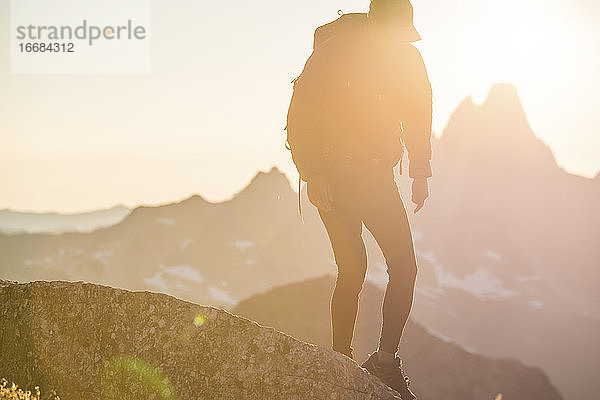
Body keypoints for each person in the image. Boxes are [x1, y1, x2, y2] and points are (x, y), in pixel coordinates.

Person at [286, 1, 431, 398]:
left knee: (405, 268)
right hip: (333, 176)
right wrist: (312, 173)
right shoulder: (335, 53)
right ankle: (340, 361)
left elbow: (419, 113)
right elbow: (300, 113)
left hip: (375, 175)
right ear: (376, 26)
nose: (400, 41)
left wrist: (420, 171)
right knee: (353, 269)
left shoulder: (407, 58)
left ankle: (384, 362)